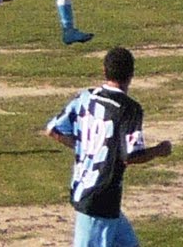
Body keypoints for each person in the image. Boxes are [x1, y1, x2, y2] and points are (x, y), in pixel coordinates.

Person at [45, 47, 171, 247]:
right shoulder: (129, 109)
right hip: (101, 198)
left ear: (104, 71)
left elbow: (53, 130)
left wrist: (85, 147)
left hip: (86, 190)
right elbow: (131, 155)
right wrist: (159, 150)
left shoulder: (85, 97)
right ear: (131, 74)